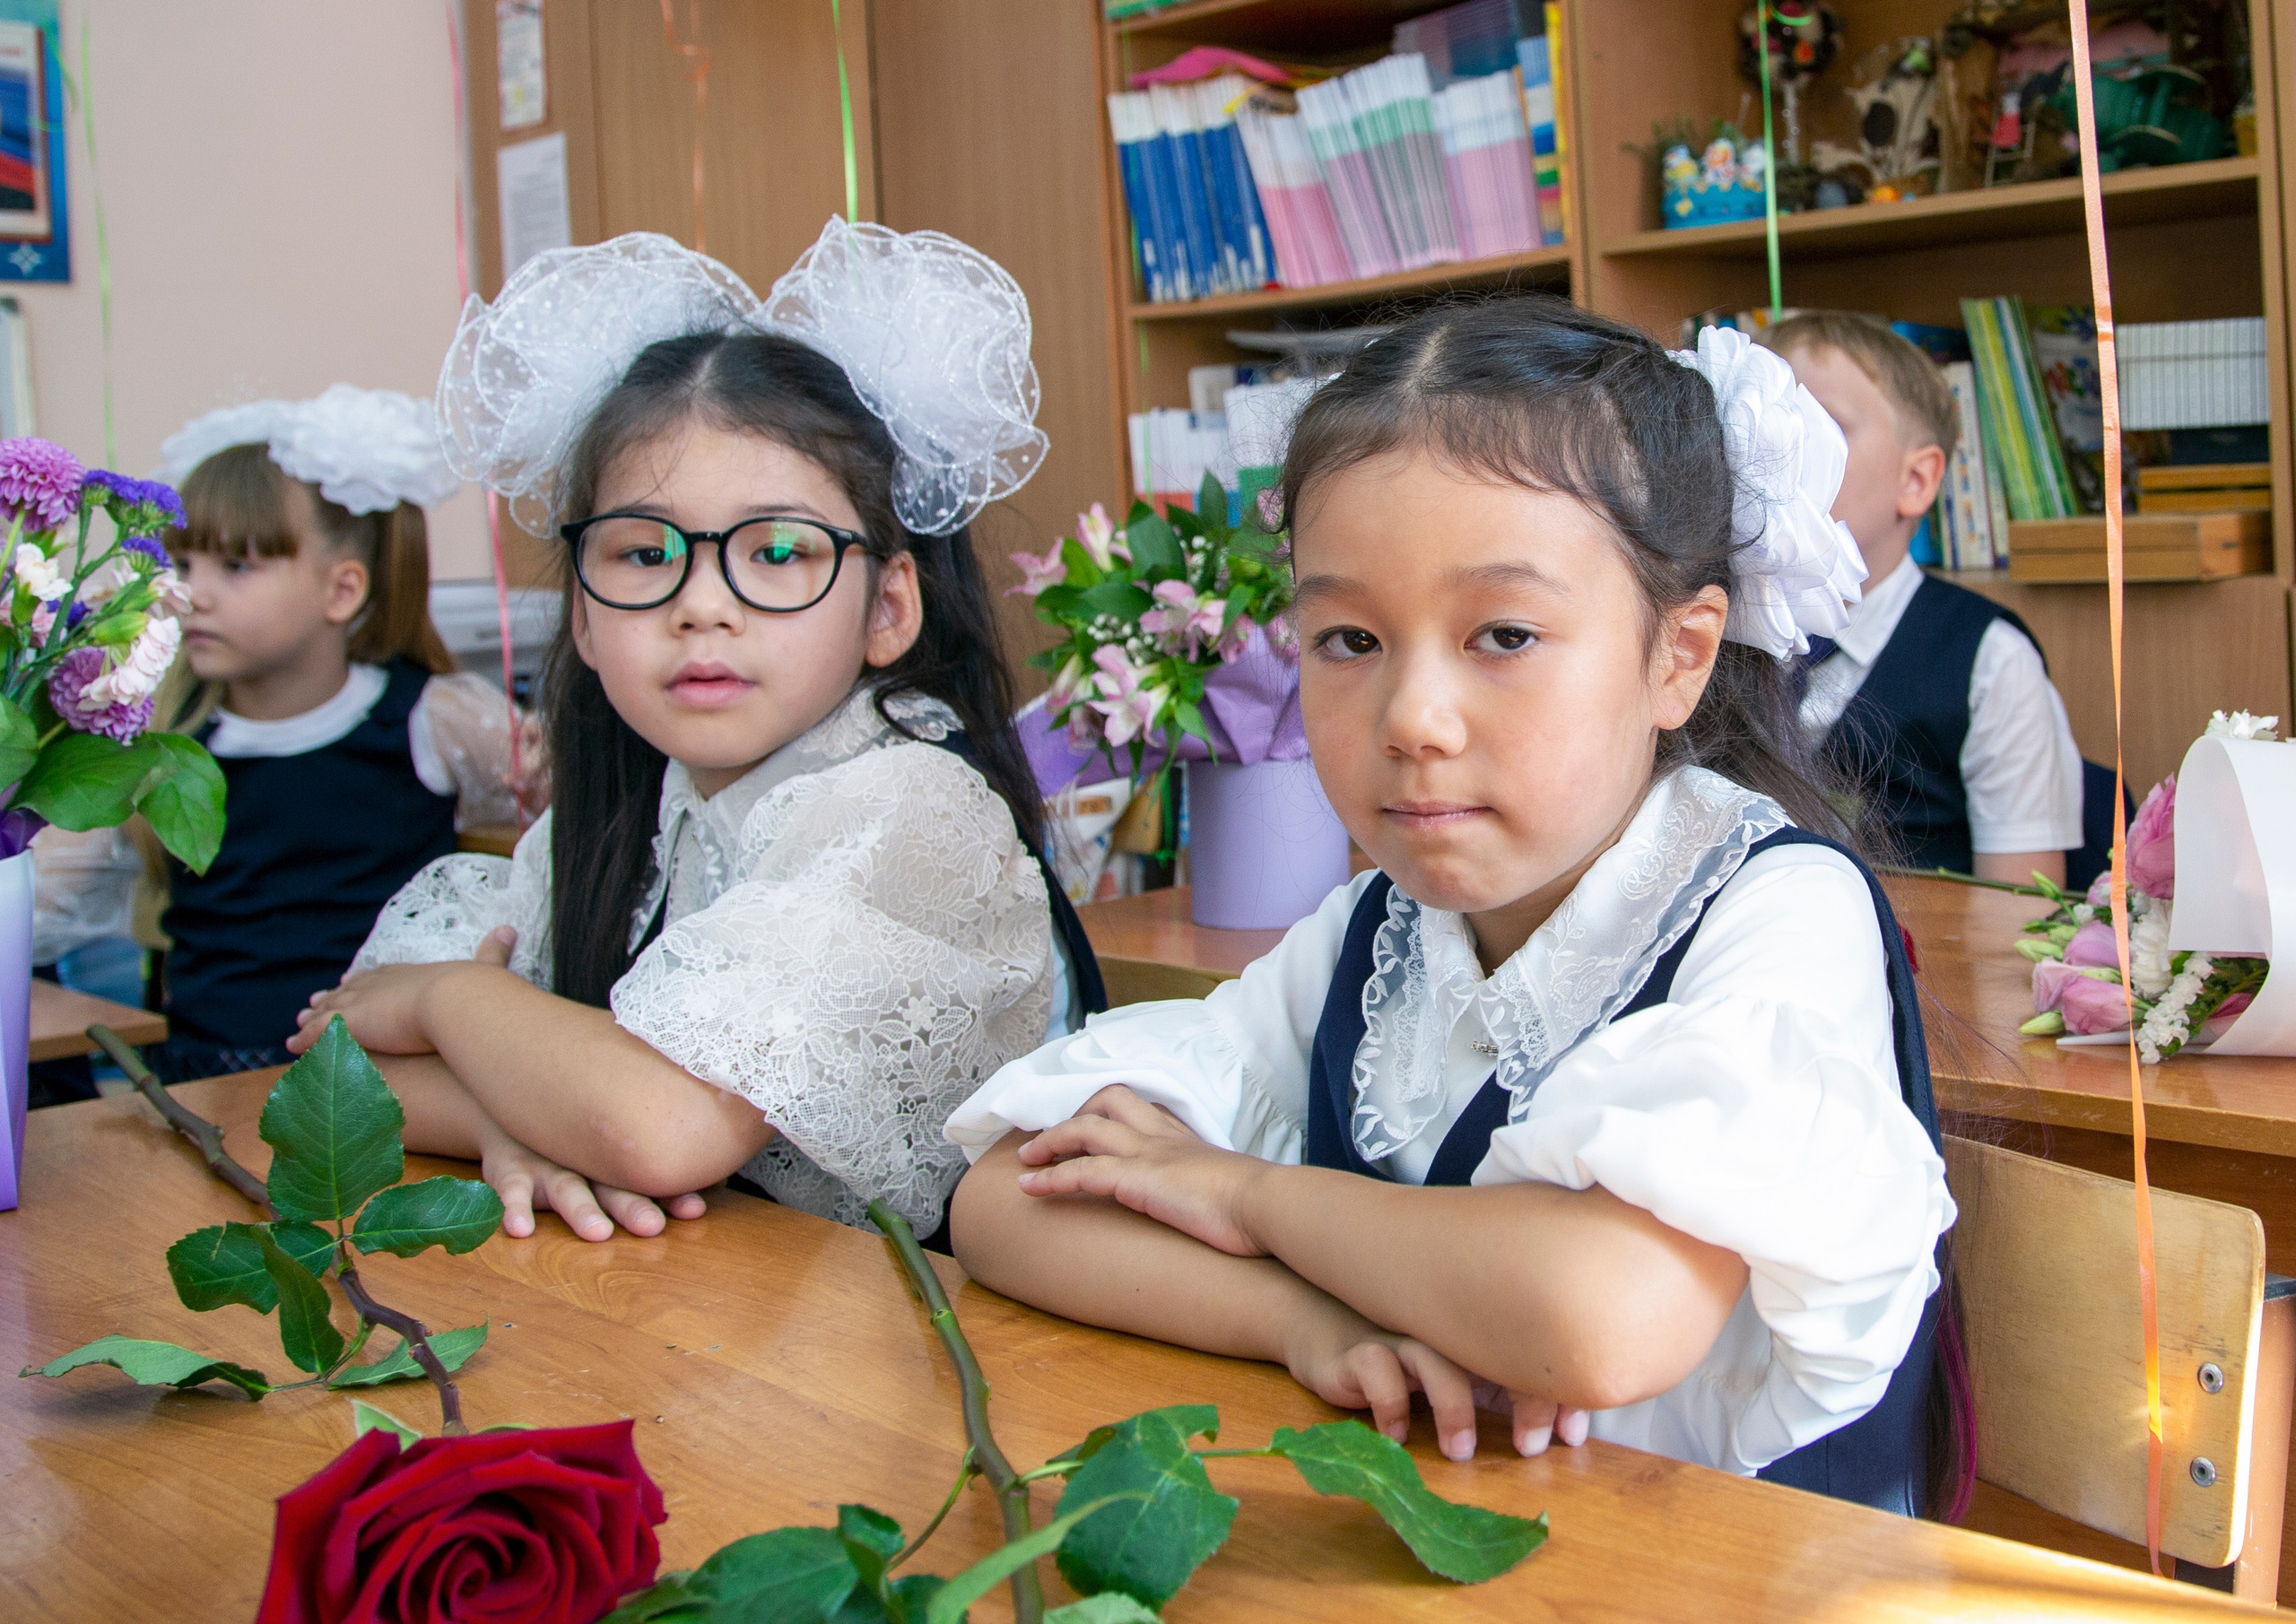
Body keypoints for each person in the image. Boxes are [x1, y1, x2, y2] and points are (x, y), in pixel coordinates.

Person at [944, 301, 1961, 1518]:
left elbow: (1597, 1315)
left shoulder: (1780, 906)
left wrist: (1243, 1193)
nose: (1413, 716)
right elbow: (1006, 1198)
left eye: (1505, 633)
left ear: (1678, 655)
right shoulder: (1380, 934)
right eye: (1349, 637)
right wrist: (1296, 1316)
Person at [299, 224, 1102, 1251]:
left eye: (776, 551)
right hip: (710, 1325)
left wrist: (457, 998)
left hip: (919, 1360)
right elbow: (336, 1069)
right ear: (584, 614)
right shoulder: (644, 803)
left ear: (888, 607)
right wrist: (521, 1120)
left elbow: (662, 1127)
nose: (702, 604)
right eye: (643, 552)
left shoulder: (906, 806)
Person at [145, 386, 529, 1082]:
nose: (192, 594)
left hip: (385, 1084)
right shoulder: (165, 741)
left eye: (235, 566)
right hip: (205, 1082)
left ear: (343, 589)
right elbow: (59, 897)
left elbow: (547, 828)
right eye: (182, 565)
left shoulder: (435, 719)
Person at [1756, 312, 2083, 884]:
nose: (1778, 453)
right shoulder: (1704, 635)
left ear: (1917, 481)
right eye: (1761, 426)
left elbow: (2017, 914)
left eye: (1820, 428)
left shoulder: (1990, 663)